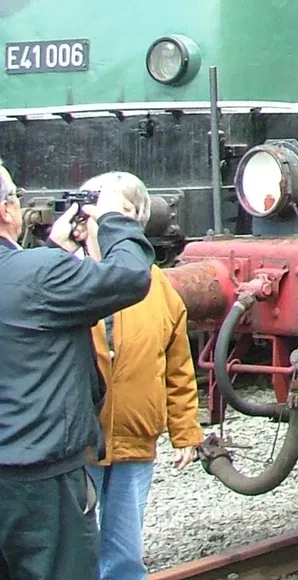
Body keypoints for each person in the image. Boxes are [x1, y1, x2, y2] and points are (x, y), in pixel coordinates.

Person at [0, 165, 154, 580]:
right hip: (40, 482)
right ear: (6, 212)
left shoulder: (36, 271)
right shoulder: (38, 274)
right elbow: (130, 276)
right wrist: (112, 218)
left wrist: (54, 251)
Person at [82, 173, 203, 580]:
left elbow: (178, 366)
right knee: (76, 547)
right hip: (81, 441)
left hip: (136, 436)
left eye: (124, 213)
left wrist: (185, 430)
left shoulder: (158, 288)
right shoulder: (69, 276)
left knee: (124, 549)